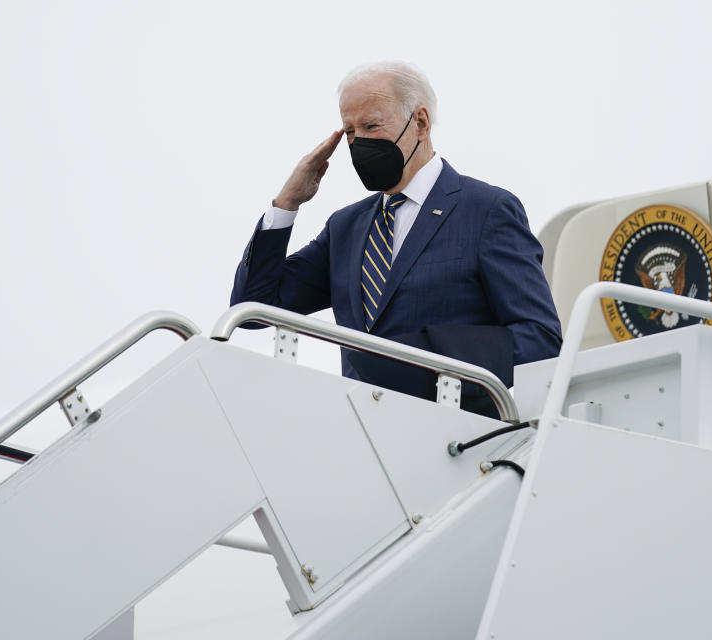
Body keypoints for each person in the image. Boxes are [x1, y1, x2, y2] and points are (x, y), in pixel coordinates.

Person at [231, 61, 562, 418]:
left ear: (420, 123)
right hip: (363, 434)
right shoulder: (346, 227)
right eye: (350, 132)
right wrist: (287, 204)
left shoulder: (485, 210)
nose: (360, 143)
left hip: (455, 436)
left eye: (371, 125)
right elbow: (253, 308)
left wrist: (434, 361)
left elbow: (540, 339)